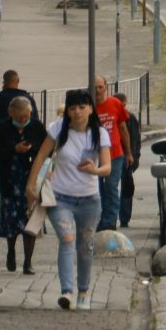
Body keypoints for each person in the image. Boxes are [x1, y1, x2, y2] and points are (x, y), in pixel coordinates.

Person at [28, 88, 112, 311]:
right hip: (60, 198)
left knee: (85, 246)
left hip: (89, 199)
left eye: (82, 107)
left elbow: (107, 168)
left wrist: (95, 170)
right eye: (73, 108)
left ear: (90, 109)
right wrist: (31, 183)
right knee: (66, 239)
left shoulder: (99, 133)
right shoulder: (58, 129)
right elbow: (41, 155)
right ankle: (67, 291)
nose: (77, 112)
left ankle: (83, 290)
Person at [0, 94, 46, 273]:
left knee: (31, 222)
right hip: (9, 181)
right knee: (12, 223)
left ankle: (28, 262)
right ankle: (11, 252)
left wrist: (31, 152)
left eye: (27, 115)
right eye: (21, 116)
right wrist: (14, 149)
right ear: (11, 113)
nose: (24, 119)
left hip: (31, 182)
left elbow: (46, 151)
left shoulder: (37, 127)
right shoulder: (1, 128)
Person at [90, 75, 130, 233]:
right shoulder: (88, 107)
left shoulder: (115, 104)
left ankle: (110, 222)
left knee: (111, 188)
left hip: (115, 153)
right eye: (95, 88)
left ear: (106, 87)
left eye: (100, 87)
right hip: (94, 156)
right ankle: (99, 220)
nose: (98, 90)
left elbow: (123, 129)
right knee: (97, 190)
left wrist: (129, 153)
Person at [117, 109, 141, 229]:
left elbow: (136, 138)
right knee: (111, 188)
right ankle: (116, 218)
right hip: (115, 156)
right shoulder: (118, 117)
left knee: (126, 187)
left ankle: (124, 219)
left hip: (126, 158)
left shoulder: (130, 118)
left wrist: (134, 157)